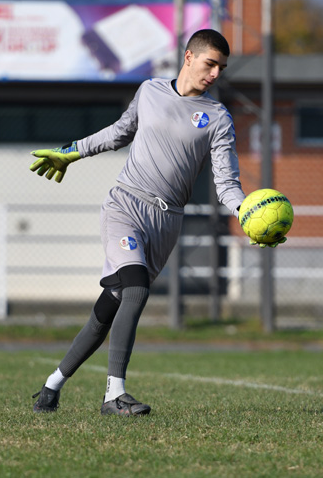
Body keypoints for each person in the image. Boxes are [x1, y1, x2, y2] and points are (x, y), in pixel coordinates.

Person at [29, 29, 284, 417]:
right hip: (125, 205)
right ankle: (114, 396)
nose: (215, 74)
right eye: (210, 64)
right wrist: (72, 152)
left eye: (221, 68)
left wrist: (247, 215)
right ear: (189, 57)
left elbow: (227, 184)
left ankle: (52, 386)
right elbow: (119, 133)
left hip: (166, 222)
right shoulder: (149, 91)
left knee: (110, 307)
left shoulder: (218, 118)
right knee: (135, 290)